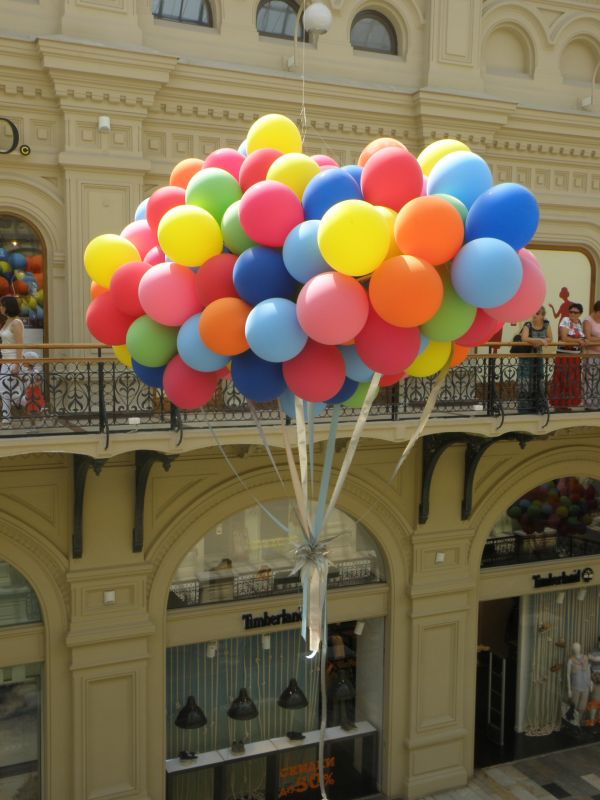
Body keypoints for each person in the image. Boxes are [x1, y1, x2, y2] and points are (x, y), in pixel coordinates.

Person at [548, 303, 585, 411]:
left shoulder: (580, 323)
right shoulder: (565, 320)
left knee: (571, 380)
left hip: (575, 356)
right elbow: (564, 337)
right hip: (564, 354)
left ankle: (567, 404)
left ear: (580, 314)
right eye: (571, 312)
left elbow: (583, 338)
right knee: (562, 379)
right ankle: (559, 405)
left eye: (575, 312)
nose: (572, 314)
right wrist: (578, 341)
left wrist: (582, 342)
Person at [517, 307, 552, 414]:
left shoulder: (546, 324)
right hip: (527, 358)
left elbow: (550, 338)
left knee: (539, 379)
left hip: (538, 357)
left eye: (537, 313)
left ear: (542, 315)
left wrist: (541, 341)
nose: (534, 315)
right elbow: (524, 338)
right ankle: (524, 407)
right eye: (534, 313)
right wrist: (539, 340)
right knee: (525, 381)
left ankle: (538, 405)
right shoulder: (528, 325)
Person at [0, 295, 24, 424]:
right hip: (5, 360)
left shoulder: (16, 322)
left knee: (11, 392)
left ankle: (36, 404)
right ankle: (6, 417)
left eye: (2, 305)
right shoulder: (7, 321)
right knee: (4, 390)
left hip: (12, 361)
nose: (1, 307)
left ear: (8, 307)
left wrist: (18, 365)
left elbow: (20, 344)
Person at [566, 642, 592, 725]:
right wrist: (569, 689)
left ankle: (579, 723)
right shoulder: (570, 660)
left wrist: (590, 682)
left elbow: (588, 670)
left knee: (582, 707)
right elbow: (568, 675)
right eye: (575, 648)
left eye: (578, 647)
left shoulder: (585, 658)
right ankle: (573, 723)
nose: (577, 649)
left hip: (586, 685)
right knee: (574, 706)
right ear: (573, 649)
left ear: (580, 648)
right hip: (575, 686)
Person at [582, 301, 600, 411]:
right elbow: (588, 338)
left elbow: (593, 338)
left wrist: (596, 339)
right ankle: (589, 404)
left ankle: (598, 403)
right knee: (591, 379)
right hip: (592, 354)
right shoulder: (588, 321)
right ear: (595, 311)